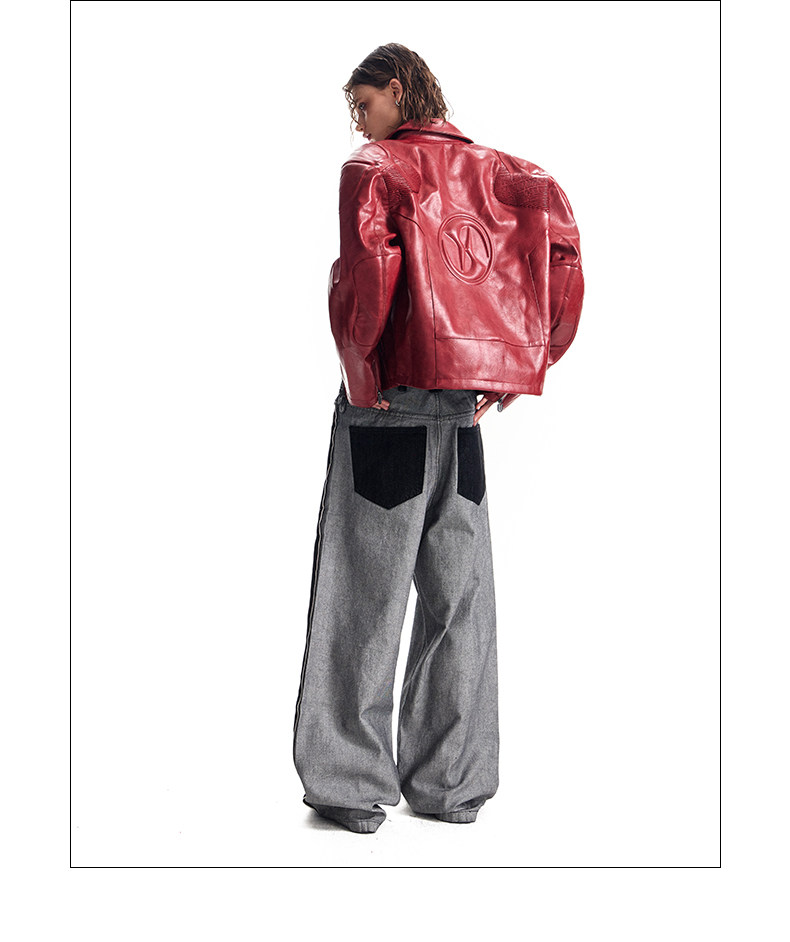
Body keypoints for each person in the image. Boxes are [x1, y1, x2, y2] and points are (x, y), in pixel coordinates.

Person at [292, 43, 584, 833]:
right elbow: (564, 263)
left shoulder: (375, 169)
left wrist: (363, 377)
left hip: (388, 401)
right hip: (462, 408)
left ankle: (349, 785)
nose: (358, 123)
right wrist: (527, 361)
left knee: (363, 592)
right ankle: (451, 785)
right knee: (460, 598)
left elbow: (369, 278)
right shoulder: (515, 175)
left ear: (396, 90)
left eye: (363, 105)